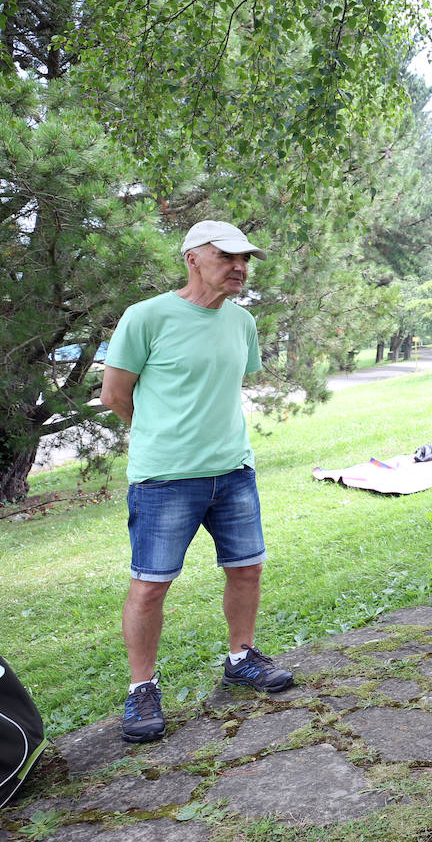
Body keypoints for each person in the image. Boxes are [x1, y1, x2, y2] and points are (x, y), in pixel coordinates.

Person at [100, 220, 294, 744]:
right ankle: (142, 689)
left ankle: (241, 657)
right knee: (150, 585)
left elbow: (224, 386)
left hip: (233, 471)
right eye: (228, 257)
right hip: (164, 479)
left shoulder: (242, 323)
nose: (240, 267)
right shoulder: (146, 317)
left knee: (247, 568)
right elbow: (115, 394)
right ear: (192, 258)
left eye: (245, 259)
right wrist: (160, 437)